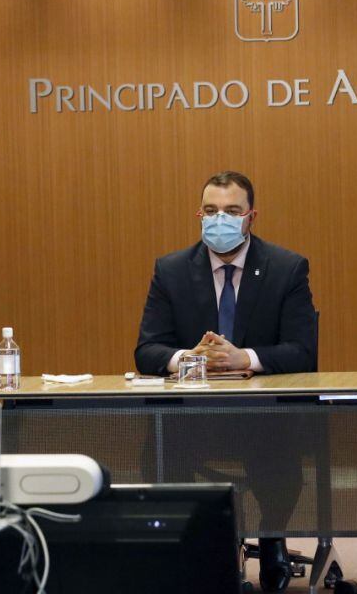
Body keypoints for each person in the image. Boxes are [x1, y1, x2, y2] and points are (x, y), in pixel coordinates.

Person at [134, 170, 318, 593]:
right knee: (157, 447)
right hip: (193, 417)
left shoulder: (286, 268)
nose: (221, 219)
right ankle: (192, 546)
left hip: (264, 417)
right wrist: (188, 359)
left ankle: (272, 537)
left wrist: (245, 358)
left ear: (251, 217)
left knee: (277, 452)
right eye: (212, 211)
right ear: (199, 215)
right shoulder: (172, 270)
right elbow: (147, 350)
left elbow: (303, 352)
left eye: (232, 211)